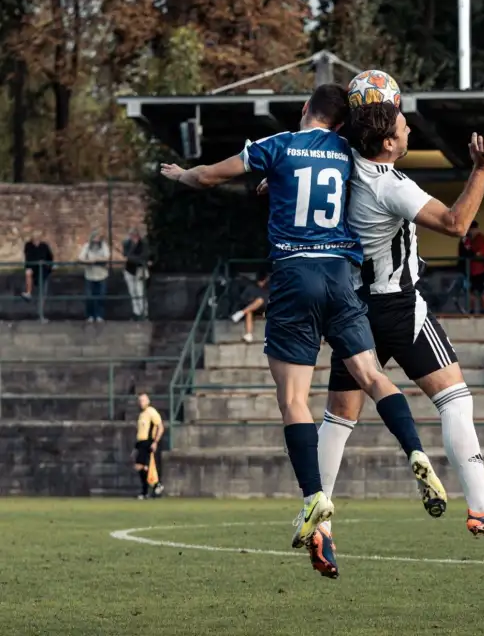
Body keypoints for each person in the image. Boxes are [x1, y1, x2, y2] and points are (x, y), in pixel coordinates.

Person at [160, 84, 445, 580]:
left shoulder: (277, 146)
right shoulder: (348, 153)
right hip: (340, 275)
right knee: (372, 375)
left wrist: (183, 173)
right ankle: (417, 450)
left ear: (303, 111)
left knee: (294, 398)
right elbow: (378, 160)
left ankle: (315, 496)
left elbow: (208, 176)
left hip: (293, 276)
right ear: (341, 124)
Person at [319, 101, 484, 573]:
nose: (408, 128)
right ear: (387, 144)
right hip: (398, 305)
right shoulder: (389, 184)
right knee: (455, 399)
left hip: (352, 309)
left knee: (338, 420)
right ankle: (481, 507)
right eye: (402, 125)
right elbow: (457, 224)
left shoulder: (339, 162)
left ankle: (320, 518)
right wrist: (482, 169)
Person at [133, 393, 164, 500]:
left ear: (148, 401)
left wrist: (155, 442)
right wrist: (136, 446)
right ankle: (153, 487)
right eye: (140, 400)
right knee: (140, 467)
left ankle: (151, 488)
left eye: (143, 400)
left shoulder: (151, 411)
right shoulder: (142, 414)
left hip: (148, 442)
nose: (141, 403)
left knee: (145, 466)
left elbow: (160, 426)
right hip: (141, 443)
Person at [78, 229, 110, 322]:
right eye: (95, 238)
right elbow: (80, 257)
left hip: (102, 274)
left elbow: (107, 257)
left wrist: (97, 259)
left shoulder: (104, 246)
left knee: (101, 295)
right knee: (89, 296)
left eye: (98, 238)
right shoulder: (87, 246)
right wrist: (88, 261)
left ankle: (100, 315)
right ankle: (90, 315)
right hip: (90, 275)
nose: (96, 240)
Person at [230, 270, 271, 343]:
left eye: (262, 281)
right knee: (249, 311)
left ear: (266, 279)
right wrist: (250, 300)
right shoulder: (251, 287)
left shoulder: (270, 288)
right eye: (259, 281)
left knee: (260, 300)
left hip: (266, 311)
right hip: (253, 310)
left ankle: (241, 313)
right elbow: (242, 300)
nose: (261, 283)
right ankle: (248, 335)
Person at [458, 221, 484, 314]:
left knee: (481, 292)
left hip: (480, 270)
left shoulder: (480, 238)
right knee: (470, 292)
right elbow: (462, 253)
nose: (472, 231)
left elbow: (479, 253)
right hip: (468, 270)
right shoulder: (466, 239)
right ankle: (471, 311)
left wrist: (471, 252)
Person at [22, 232, 53, 320]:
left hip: (43, 271)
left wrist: (46, 264)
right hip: (32, 270)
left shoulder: (44, 246)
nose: (36, 238)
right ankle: (28, 292)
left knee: (42, 294)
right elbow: (28, 257)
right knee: (28, 272)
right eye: (34, 237)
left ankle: (40, 314)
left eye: (37, 237)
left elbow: (50, 258)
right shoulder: (28, 245)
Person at [122, 228, 150, 320]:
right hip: (129, 270)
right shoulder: (127, 243)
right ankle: (136, 313)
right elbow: (125, 254)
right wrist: (131, 257)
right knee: (132, 292)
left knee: (140, 291)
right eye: (131, 236)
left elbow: (143, 257)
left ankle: (144, 313)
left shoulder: (143, 244)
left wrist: (131, 258)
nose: (132, 238)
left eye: (134, 236)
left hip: (139, 270)